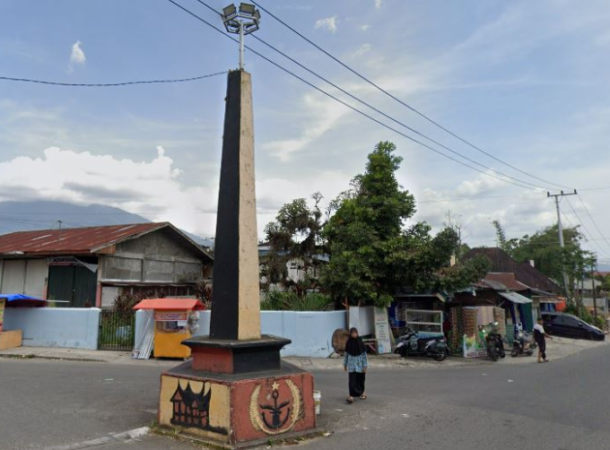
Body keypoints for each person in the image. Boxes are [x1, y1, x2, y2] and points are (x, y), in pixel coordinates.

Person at [344, 327, 368, 404]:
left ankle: (363, 393)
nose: (354, 334)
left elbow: (364, 355)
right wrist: (345, 364)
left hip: (360, 366)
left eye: (355, 333)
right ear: (350, 334)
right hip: (351, 366)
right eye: (353, 333)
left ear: (357, 333)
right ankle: (351, 396)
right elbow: (346, 355)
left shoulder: (360, 342)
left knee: (360, 380)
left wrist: (365, 366)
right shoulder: (348, 343)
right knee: (352, 381)